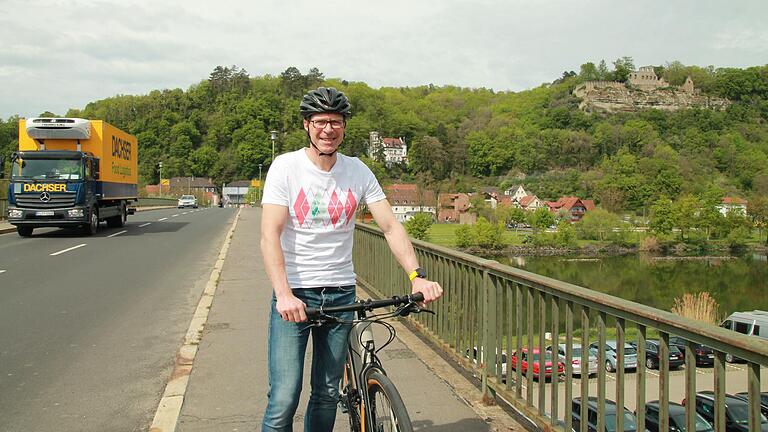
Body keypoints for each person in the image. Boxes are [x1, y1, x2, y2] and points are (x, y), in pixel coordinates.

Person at [260, 87, 443, 431]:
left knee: (327, 392)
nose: (328, 129)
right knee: (284, 397)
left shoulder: (357, 171)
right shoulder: (286, 167)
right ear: (307, 125)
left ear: (344, 127)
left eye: (335, 122)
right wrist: (283, 294)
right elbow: (270, 234)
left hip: (341, 292)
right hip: (295, 294)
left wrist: (417, 275)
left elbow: (390, 226)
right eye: (320, 122)